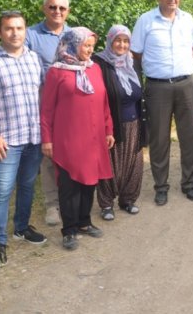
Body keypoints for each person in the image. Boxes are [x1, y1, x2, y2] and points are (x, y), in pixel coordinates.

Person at [0, 0, 72, 226]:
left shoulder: (74, 34)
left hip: (67, 110)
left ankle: (70, 203)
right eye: (52, 7)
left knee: (66, 158)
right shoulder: (31, 34)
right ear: (44, 8)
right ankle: (51, 206)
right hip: (35, 115)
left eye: (62, 8)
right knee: (43, 163)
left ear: (68, 11)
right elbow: (11, 48)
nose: (57, 11)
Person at [0, 11, 47, 267]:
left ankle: (21, 228)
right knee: (2, 192)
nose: (15, 33)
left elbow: (41, 93)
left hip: (33, 137)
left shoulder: (34, 59)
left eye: (19, 28)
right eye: (8, 28)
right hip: (6, 140)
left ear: (26, 30)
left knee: (27, 187)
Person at [40, 27, 114, 250]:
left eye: (92, 46)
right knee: (70, 184)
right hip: (68, 138)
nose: (90, 50)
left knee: (90, 181)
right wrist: (47, 139)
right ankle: (69, 229)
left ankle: (84, 222)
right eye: (86, 46)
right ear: (72, 44)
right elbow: (46, 110)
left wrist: (109, 129)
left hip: (94, 136)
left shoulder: (94, 69)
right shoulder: (57, 72)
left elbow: (104, 102)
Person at [131, 0, 193, 205]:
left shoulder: (187, 19)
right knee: (159, 139)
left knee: (188, 136)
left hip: (186, 85)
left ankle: (189, 184)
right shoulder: (146, 20)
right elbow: (137, 53)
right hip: (158, 86)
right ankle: (161, 186)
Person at [92, 25, 144, 220]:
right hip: (112, 125)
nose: (122, 45)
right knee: (110, 164)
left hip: (135, 123)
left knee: (133, 163)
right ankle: (106, 204)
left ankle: (128, 200)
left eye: (126, 41)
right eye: (118, 40)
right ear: (110, 41)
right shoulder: (99, 63)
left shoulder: (132, 63)